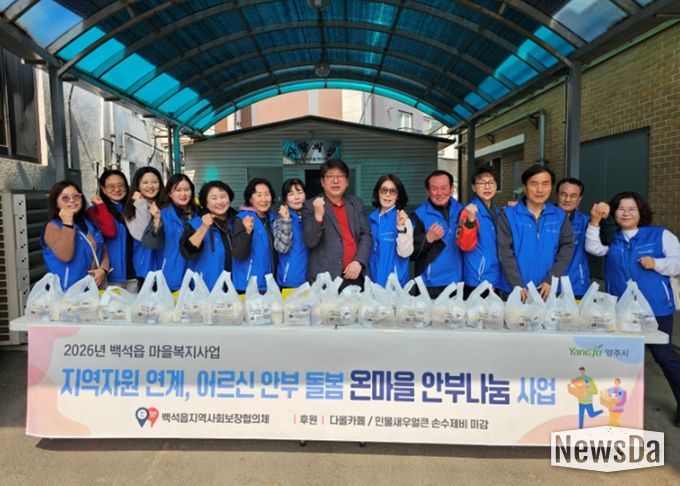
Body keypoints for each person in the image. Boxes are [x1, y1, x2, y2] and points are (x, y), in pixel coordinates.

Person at [586, 191, 680, 426]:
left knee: (664, 356)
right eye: (621, 209)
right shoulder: (612, 237)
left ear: (641, 212)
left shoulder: (660, 235)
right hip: (622, 311)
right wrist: (595, 221)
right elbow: (594, 248)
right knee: (621, 357)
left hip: (656, 308)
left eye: (632, 209)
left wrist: (657, 263)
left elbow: (678, 262)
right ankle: (617, 407)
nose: (626, 213)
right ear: (614, 213)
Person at [497, 164, 574, 301]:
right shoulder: (508, 215)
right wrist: (517, 284)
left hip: (547, 290)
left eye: (545, 184)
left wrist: (551, 280)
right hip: (514, 290)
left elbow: (566, 250)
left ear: (551, 187)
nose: (540, 189)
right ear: (525, 187)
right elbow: (504, 252)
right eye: (534, 184)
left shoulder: (560, 216)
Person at [302, 159, 372, 289]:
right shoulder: (310, 205)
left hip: (355, 275)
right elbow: (310, 241)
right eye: (330, 176)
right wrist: (318, 216)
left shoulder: (356, 203)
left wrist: (359, 261)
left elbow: (366, 235)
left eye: (340, 176)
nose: (335, 181)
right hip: (325, 280)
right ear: (322, 182)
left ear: (347, 181)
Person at [41, 180, 110, 290]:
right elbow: (65, 256)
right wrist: (67, 224)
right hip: (67, 291)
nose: (72, 200)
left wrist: (103, 269)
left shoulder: (87, 220)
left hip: (92, 287)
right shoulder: (52, 226)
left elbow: (102, 247)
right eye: (65, 198)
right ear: (56, 203)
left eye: (76, 196)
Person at [410, 170, 465, 298]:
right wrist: (427, 239)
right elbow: (410, 252)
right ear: (428, 191)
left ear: (451, 188)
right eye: (434, 189)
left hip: (458, 282)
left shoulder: (462, 211)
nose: (439, 193)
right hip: (429, 285)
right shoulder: (419, 215)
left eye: (444, 188)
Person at [142, 173, 201, 292]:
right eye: (178, 190)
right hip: (169, 278)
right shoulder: (162, 214)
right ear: (170, 193)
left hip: (196, 277)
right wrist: (157, 220)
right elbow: (151, 243)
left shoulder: (200, 215)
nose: (183, 194)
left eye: (187, 190)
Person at [458, 166, 509, 298]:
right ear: (474, 187)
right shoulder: (469, 211)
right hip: (478, 278)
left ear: (496, 186)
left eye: (491, 182)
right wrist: (470, 221)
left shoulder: (497, 212)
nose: (487, 187)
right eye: (481, 183)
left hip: (495, 276)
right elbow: (465, 245)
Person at [87, 170, 137, 292]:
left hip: (134, 272)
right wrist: (101, 207)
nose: (117, 189)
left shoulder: (135, 207)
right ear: (103, 189)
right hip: (108, 274)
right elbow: (109, 232)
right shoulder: (94, 211)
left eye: (121, 185)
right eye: (111, 186)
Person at [181, 181, 237, 290]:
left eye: (223, 196)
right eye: (214, 198)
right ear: (205, 202)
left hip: (234, 289)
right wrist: (204, 227)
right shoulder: (195, 223)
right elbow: (187, 251)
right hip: (206, 289)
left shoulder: (237, 221)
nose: (220, 202)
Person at [122, 167, 164, 287]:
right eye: (145, 182)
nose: (150, 186)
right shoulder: (131, 209)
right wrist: (141, 204)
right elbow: (142, 235)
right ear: (138, 186)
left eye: (154, 182)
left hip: (167, 267)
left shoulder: (166, 206)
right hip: (145, 269)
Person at [232, 178, 276, 292]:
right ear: (250, 199)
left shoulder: (271, 219)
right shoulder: (242, 219)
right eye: (259, 195)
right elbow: (238, 253)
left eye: (267, 194)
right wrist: (247, 232)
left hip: (268, 284)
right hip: (247, 286)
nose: (264, 199)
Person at [368, 174, 413, 287]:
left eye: (392, 191)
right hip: (372, 284)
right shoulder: (371, 220)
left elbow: (405, 253)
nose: (387, 194)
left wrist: (400, 227)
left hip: (394, 287)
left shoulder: (403, 220)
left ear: (398, 196)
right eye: (384, 190)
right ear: (378, 193)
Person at [555, 177, 590, 298]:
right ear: (557, 195)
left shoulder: (586, 222)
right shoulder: (542, 218)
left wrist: (607, 218)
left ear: (579, 199)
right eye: (563, 194)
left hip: (576, 285)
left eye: (573, 196)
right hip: (546, 284)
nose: (567, 199)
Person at [273, 179, 308, 289]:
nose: (296, 197)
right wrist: (286, 220)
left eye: (299, 192)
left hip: (310, 277)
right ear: (285, 199)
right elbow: (282, 248)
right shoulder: (280, 219)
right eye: (291, 194)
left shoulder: (310, 216)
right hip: (290, 279)